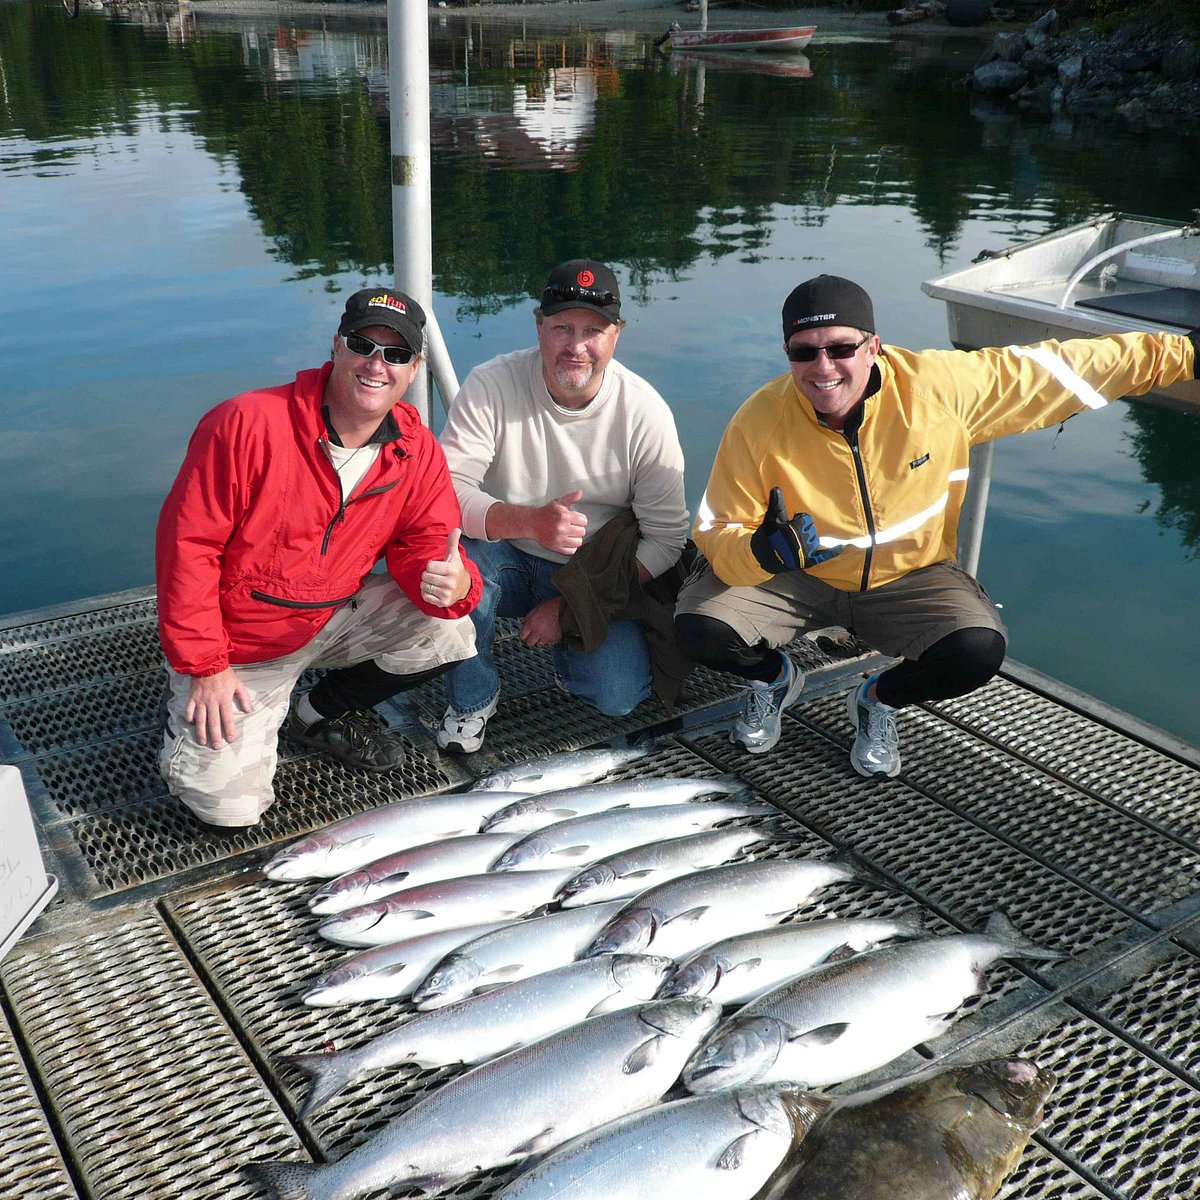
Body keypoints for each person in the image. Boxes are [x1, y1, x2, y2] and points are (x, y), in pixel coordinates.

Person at [675, 273, 1198, 777]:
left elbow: (1064, 368)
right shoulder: (758, 420)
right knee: (700, 628)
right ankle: (774, 678)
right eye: (803, 352)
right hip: (799, 580)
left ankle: (878, 699)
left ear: (874, 346)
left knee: (978, 649)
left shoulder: (939, 390)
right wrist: (762, 555)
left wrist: (1190, 353)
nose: (823, 366)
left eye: (840, 348)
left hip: (913, 575)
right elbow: (718, 528)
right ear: (787, 354)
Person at [156, 287, 482, 832]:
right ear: (336, 345)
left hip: (326, 619)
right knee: (228, 811)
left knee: (452, 631)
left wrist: (453, 583)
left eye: (396, 354)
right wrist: (207, 666)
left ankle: (315, 714)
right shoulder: (244, 423)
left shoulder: (414, 446)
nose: (378, 364)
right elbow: (187, 550)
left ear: (415, 368)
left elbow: (427, 540)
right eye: (363, 344)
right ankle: (186, 711)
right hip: (240, 652)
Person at [436, 258, 689, 752]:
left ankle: (568, 659)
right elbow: (445, 489)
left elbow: (667, 539)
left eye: (593, 330)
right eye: (561, 328)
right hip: (502, 554)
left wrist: (574, 604)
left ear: (617, 334)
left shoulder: (645, 412)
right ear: (538, 326)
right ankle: (472, 698)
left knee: (618, 696)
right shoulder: (492, 383)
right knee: (446, 566)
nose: (577, 346)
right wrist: (529, 521)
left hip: (592, 570)